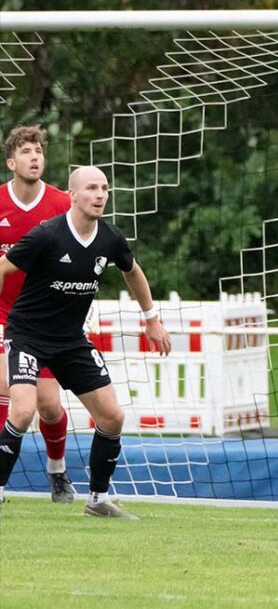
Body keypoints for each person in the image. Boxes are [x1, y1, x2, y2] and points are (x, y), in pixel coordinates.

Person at [0, 166, 171, 520]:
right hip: (27, 336)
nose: (100, 195)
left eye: (105, 188)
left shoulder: (109, 238)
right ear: (73, 195)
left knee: (112, 416)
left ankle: (97, 499)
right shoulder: (46, 235)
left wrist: (151, 318)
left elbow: (132, 271)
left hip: (70, 341)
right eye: (92, 188)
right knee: (23, 409)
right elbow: (2, 268)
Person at [0, 126, 74, 503]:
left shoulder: (62, 204)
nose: (35, 157)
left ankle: (58, 472)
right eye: (27, 151)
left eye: (39, 151)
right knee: (7, 391)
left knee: (47, 404)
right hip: (3, 315)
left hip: (43, 319)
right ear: (11, 162)